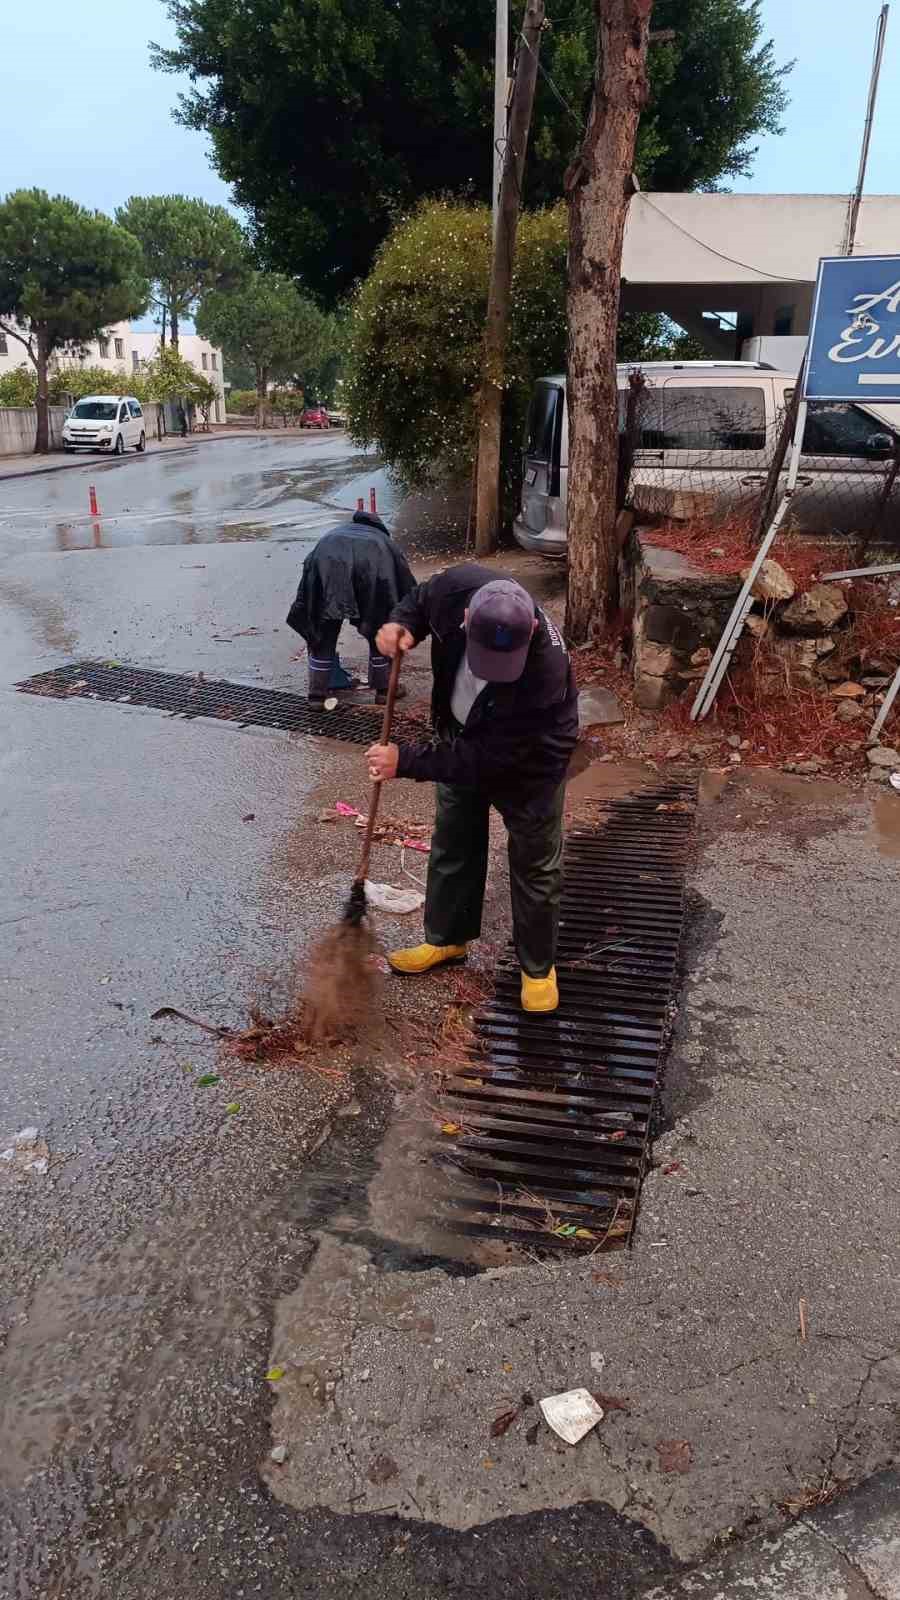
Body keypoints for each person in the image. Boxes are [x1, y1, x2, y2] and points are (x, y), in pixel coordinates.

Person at [367, 564, 579, 1014]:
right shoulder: (454, 589)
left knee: (535, 862)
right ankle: (447, 939)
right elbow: (419, 601)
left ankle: (538, 969)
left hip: (531, 763)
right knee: (455, 837)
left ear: (534, 627)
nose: (495, 672)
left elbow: (485, 759)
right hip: (459, 732)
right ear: (464, 618)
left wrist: (405, 760)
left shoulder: (544, 672)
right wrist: (402, 624)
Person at [287, 509, 416, 706]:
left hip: (328, 570)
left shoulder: (332, 535)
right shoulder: (384, 542)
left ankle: (316, 695)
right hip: (372, 575)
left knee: (323, 630)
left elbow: (310, 568)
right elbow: (404, 581)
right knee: (379, 627)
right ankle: (384, 691)